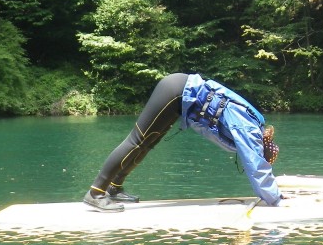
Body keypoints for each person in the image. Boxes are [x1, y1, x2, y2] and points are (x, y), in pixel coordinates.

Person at [83, 73, 283, 212]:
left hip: (180, 99)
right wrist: (275, 199)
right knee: (136, 141)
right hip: (176, 91)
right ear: (261, 148)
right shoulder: (249, 130)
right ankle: (96, 193)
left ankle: (114, 188)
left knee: (147, 144)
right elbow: (256, 166)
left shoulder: (254, 129)